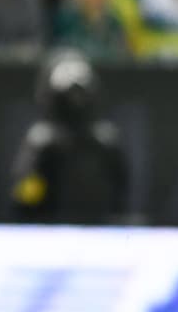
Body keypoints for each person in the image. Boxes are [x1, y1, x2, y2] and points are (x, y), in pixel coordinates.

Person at [11, 50, 128, 224]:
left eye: (80, 96)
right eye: (69, 97)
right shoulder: (41, 145)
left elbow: (119, 200)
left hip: (98, 230)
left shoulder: (106, 145)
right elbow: (25, 201)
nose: (75, 103)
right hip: (47, 230)